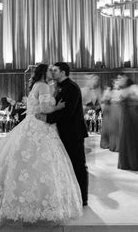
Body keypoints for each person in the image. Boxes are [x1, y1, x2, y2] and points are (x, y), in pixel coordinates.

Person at [0, 64, 82, 227]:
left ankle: (21, 202)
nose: (52, 72)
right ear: (43, 73)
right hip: (40, 128)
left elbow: (36, 106)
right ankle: (38, 204)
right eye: (49, 70)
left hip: (31, 125)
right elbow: (46, 108)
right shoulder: (43, 86)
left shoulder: (37, 85)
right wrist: (58, 106)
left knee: (23, 164)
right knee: (40, 165)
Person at [36, 62, 89, 206]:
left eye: (55, 70)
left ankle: (82, 197)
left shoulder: (71, 87)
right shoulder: (58, 86)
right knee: (67, 165)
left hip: (73, 132)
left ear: (63, 72)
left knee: (78, 164)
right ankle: (72, 195)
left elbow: (68, 112)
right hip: (62, 131)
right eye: (51, 70)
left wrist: (48, 118)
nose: (52, 72)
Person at [117, 75, 138, 171]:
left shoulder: (135, 87)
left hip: (135, 114)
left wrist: (129, 97)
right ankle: (128, 163)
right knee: (127, 138)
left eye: (121, 78)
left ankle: (137, 163)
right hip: (126, 116)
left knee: (136, 137)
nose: (119, 80)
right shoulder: (122, 90)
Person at [100, 77, 123, 152]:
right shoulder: (109, 91)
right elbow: (103, 100)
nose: (117, 84)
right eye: (115, 83)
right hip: (112, 109)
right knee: (113, 128)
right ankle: (112, 145)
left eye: (117, 83)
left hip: (119, 109)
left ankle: (118, 146)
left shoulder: (122, 91)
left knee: (118, 128)